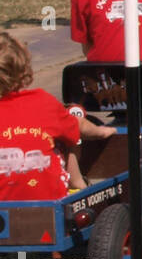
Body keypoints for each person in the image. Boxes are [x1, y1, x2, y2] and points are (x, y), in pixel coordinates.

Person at [0, 33, 115, 199]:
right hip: (50, 202)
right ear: (23, 70)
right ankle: (78, 187)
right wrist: (101, 131)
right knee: (66, 136)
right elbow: (79, 126)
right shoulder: (42, 102)